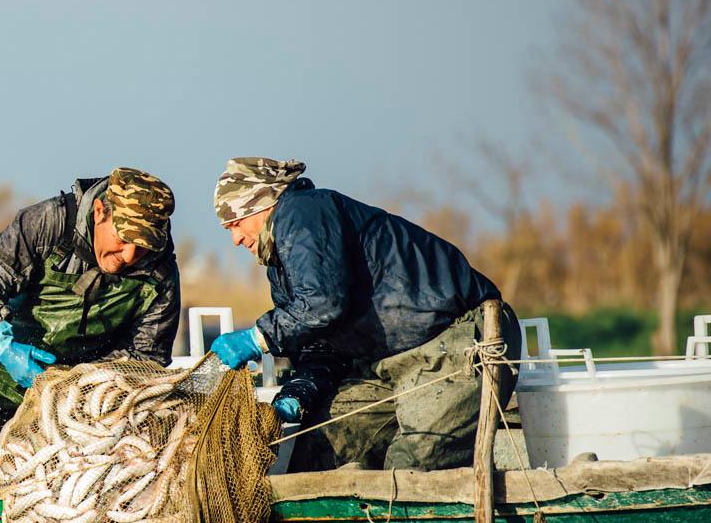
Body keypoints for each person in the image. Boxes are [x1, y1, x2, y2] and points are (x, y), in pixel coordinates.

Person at [208, 157, 518, 472]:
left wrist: (258, 336)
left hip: (457, 341)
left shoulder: (302, 212)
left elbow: (323, 303)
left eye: (236, 223)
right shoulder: (280, 268)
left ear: (262, 204)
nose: (235, 239)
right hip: (390, 364)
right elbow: (320, 340)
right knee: (317, 452)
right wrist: (304, 384)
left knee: (411, 470)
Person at [0, 167, 180, 466]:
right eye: (123, 238)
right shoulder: (48, 223)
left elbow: (147, 359)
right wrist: (3, 345)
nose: (130, 256)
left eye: (144, 246)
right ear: (99, 212)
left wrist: (79, 385)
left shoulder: (160, 275)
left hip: (82, 400)